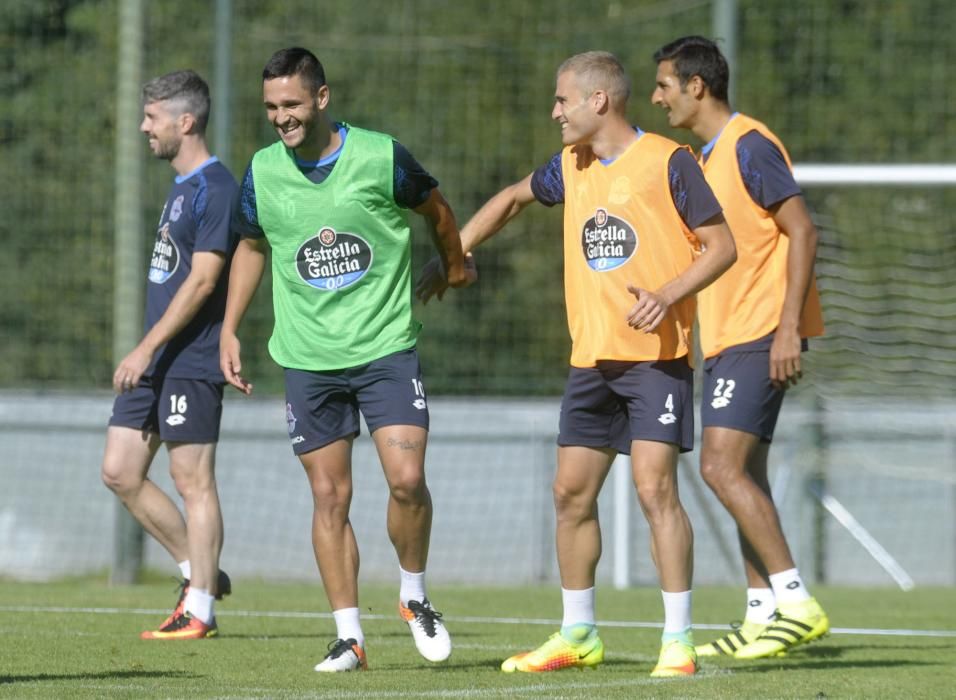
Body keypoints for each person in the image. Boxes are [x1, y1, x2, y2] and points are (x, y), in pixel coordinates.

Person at [418, 51, 736, 677]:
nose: (554, 111)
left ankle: (678, 642)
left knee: (654, 490)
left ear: (600, 102)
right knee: (569, 495)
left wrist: (668, 295)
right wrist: (456, 253)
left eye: (562, 100)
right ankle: (578, 633)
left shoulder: (669, 162)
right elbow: (512, 199)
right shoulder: (572, 165)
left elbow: (723, 247)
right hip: (590, 362)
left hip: (655, 359)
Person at [221, 47, 473, 673]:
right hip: (308, 359)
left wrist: (456, 263)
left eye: (293, 105)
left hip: (386, 348)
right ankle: (349, 637)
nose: (281, 117)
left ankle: (414, 596)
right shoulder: (262, 172)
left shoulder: (381, 157)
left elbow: (436, 208)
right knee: (329, 496)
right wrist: (228, 328)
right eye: (272, 107)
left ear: (322, 99)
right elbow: (252, 245)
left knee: (407, 481)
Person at [651, 35, 829, 660]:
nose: (657, 97)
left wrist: (788, 327)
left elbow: (801, 228)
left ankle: (797, 602)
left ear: (696, 86)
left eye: (664, 84)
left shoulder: (749, 144)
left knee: (719, 467)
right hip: (727, 339)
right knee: (744, 471)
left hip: (760, 332)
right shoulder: (705, 158)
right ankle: (761, 612)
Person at [101, 69, 238, 640]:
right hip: (158, 359)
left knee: (192, 480)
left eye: (152, 118)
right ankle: (198, 573)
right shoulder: (181, 187)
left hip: (190, 358)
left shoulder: (217, 188)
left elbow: (205, 281)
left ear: (185, 122)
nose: (143, 128)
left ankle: (200, 609)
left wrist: (145, 345)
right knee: (120, 470)